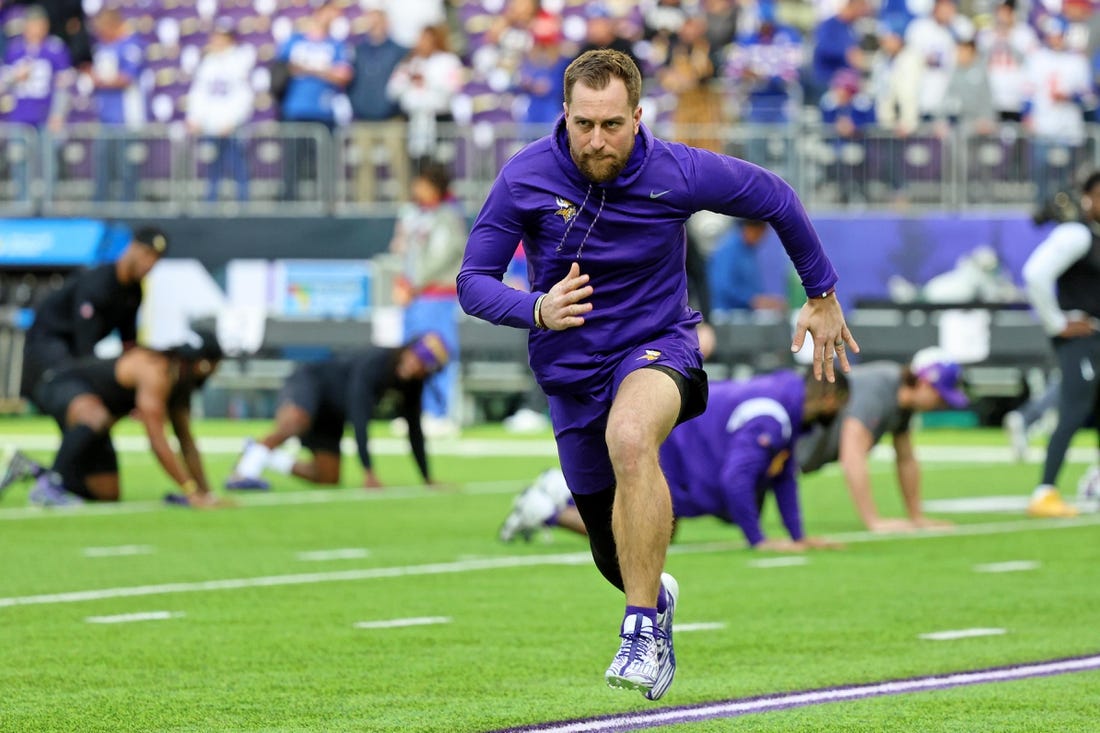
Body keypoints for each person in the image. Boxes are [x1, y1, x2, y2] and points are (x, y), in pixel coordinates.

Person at [456, 49, 856, 701]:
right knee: (610, 554)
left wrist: (822, 292)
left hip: (658, 347)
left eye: (612, 124)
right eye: (584, 123)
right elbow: (472, 282)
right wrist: (535, 307)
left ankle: (642, 631)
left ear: (638, 116)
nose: (596, 138)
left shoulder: (678, 169)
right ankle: (651, 595)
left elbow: (777, 197)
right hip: (570, 375)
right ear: (565, 113)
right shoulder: (526, 175)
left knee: (632, 437)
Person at [501, 370, 850, 552]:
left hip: (684, 446)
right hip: (673, 447)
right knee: (651, 535)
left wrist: (798, 536)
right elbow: (736, 479)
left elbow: (783, 475)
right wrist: (758, 540)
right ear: (830, 397)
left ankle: (555, 498)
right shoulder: (772, 416)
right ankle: (549, 508)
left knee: (660, 533)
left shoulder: (785, 404)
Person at [0, 332, 225, 507]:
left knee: (107, 492)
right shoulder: (156, 371)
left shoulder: (179, 384)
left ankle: (33, 470)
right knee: (97, 415)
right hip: (61, 387)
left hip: (97, 422)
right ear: (201, 363)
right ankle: (49, 486)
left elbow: (186, 441)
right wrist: (189, 491)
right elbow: (157, 438)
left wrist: (206, 493)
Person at [224, 332, 450, 491]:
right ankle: (243, 473)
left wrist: (427, 477)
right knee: (296, 421)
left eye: (423, 363)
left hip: (332, 414)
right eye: (416, 356)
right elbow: (359, 416)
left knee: (327, 477)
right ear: (408, 349)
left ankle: (260, 451)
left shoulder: (412, 386)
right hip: (311, 384)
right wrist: (368, 471)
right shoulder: (377, 362)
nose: (414, 364)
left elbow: (414, 429)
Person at [797, 347, 965, 532]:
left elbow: (906, 459)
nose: (942, 404)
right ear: (924, 383)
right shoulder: (879, 388)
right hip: (781, 451)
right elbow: (852, 456)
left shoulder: (903, 404)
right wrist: (874, 521)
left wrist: (916, 517)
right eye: (940, 396)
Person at [1020, 171, 1100, 518]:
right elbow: (1035, 274)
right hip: (1080, 338)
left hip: (1096, 337)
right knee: (1073, 409)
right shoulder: (1076, 234)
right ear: (1088, 198)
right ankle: (1045, 490)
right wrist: (1057, 323)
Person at [20, 225, 168, 412]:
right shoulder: (98, 283)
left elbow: (129, 343)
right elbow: (85, 348)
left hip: (76, 346)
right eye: (147, 254)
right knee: (72, 385)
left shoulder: (134, 292)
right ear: (132, 248)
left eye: (156, 259)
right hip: (50, 338)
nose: (150, 263)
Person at [389, 162, 466, 431]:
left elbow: (442, 257)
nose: (415, 189)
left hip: (436, 295)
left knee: (436, 350)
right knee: (410, 354)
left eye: (421, 183)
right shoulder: (412, 213)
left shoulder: (447, 215)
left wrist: (415, 284)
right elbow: (402, 251)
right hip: (414, 296)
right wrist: (401, 282)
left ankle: (440, 411)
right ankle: (414, 410)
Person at [276, 1, 353, 201]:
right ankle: (290, 201)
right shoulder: (294, 40)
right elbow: (285, 68)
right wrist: (325, 71)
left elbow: (343, 75)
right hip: (295, 109)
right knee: (293, 161)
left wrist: (310, 70)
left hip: (324, 110)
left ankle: (325, 202)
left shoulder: (336, 45)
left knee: (323, 162)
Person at [185, 19, 255, 203]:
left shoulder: (239, 61)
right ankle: (211, 204)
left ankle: (243, 204)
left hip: (231, 126)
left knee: (238, 165)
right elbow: (199, 93)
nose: (216, 41)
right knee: (212, 166)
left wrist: (234, 120)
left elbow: (244, 96)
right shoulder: (208, 62)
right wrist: (194, 118)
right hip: (211, 125)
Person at [88, 8, 145, 202]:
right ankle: (101, 203)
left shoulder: (131, 45)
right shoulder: (103, 47)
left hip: (125, 117)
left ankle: (128, 203)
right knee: (103, 162)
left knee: (125, 164)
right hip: (105, 115)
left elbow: (128, 77)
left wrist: (102, 80)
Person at [707, 219, 787, 314]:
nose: (761, 239)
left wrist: (766, 301)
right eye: (759, 234)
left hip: (745, 316)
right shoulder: (728, 249)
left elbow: (753, 287)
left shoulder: (750, 251)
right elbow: (722, 285)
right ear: (750, 229)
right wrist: (752, 300)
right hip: (725, 315)